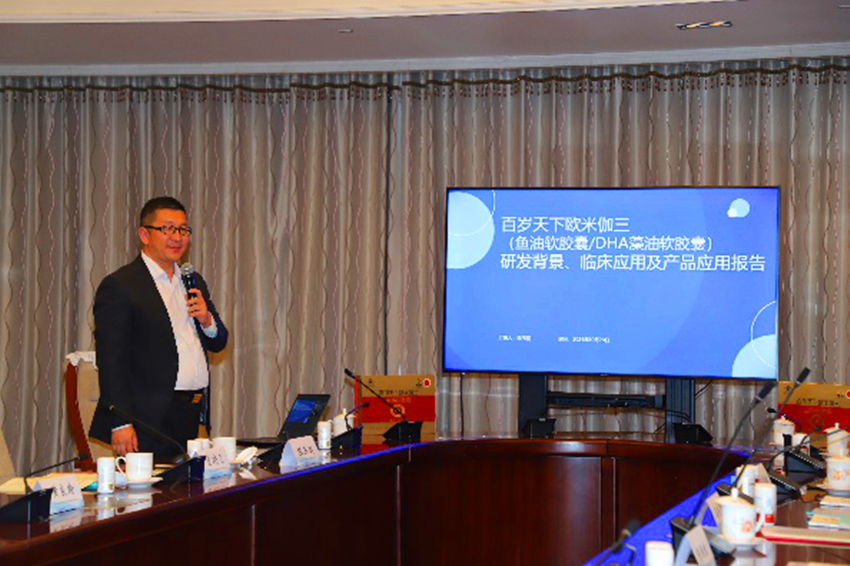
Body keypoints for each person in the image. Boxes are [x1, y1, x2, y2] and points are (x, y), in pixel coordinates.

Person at [89, 196, 229, 460]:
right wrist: (120, 422)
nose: (177, 237)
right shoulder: (121, 285)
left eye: (183, 229)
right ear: (144, 234)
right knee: (152, 487)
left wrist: (206, 320)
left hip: (190, 413)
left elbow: (219, 341)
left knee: (188, 485)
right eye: (167, 229)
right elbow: (111, 360)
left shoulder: (192, 280)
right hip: (147, 419)